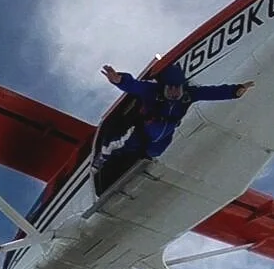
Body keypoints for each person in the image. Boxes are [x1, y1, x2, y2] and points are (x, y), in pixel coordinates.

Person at [94, 63, 254, 190]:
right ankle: (102, 163)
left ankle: (131, 171)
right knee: (123, 145)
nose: (173, 92)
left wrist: (235, 91)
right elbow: (134, 85)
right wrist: (119, 80)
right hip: (144, 130)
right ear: (163, 86)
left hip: (163, 137)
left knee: (153, 153)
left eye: (177, 88)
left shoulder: (189, 94)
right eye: (170, 88)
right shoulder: (152, 90)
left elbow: (212, 92)